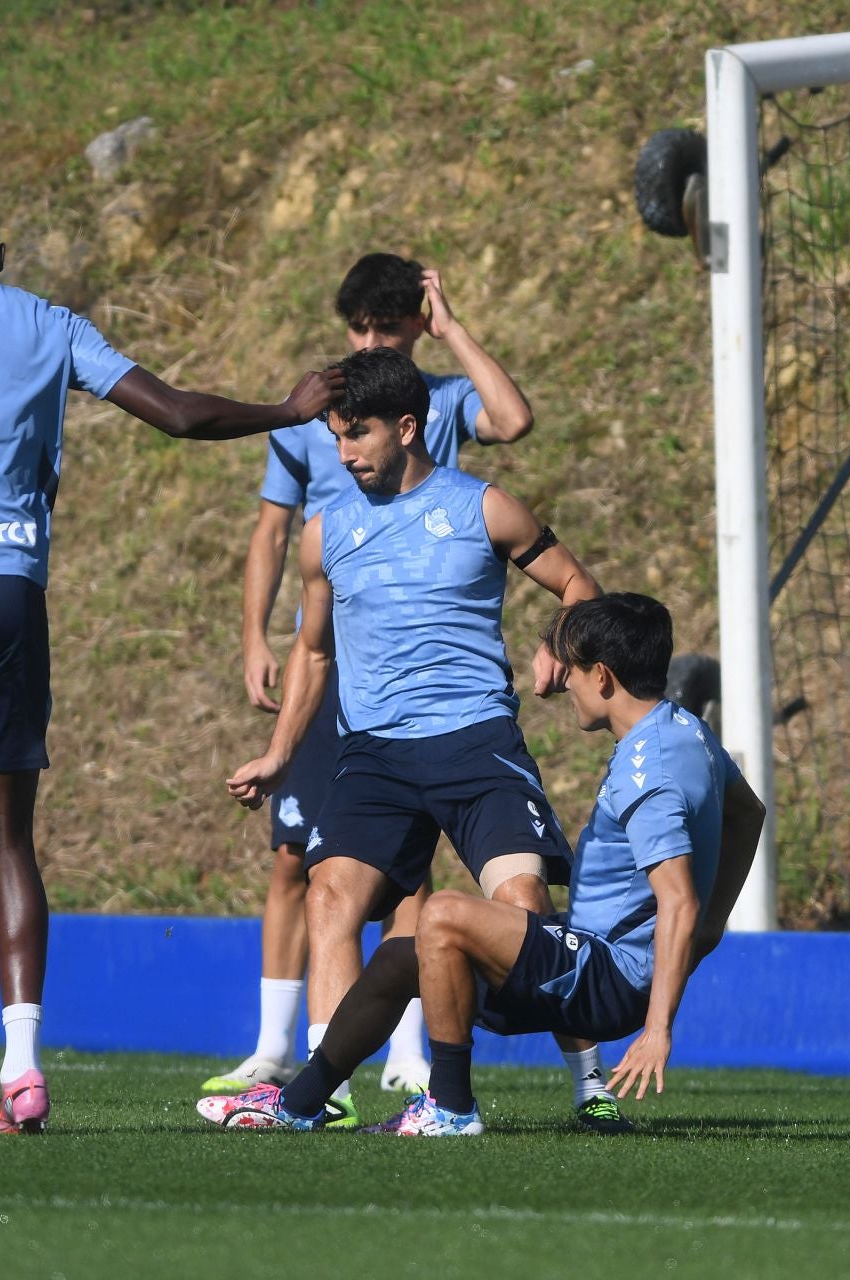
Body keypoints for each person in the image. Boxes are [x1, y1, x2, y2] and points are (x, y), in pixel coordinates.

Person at [0, 181, 341, 1134]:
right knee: (9, 844)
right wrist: (282, 410)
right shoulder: (51, 321)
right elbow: (176, 414)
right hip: (8, 599)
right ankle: (25, 1068)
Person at [208, 345, 630, 1132]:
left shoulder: (484, 507)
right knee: (329, 894)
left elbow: (577, 584)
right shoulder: (324, 532)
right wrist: (281, 753)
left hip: (474, 744)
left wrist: (556, 642)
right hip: (374, 755)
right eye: (336, 436)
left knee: (524, 904)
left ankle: (589, 1080)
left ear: (408, 427)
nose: (343, 453)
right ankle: (324, 1092)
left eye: (358, 434)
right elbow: (313, 649)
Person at [199, 593, 765, 1134]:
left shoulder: (651, 774)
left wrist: (659, 1027)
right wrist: (710, 930)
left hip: (604, 980)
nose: (564, 681)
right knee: (404, 957)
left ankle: (450, 1108)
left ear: (602, 676)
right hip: (591, 965)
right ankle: (299, 1104)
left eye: (571, 669)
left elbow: (679, 899)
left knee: (442, 913)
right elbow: (749, 814)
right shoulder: (687, 732)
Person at [205, 253, 537, 1105]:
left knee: (419, 881)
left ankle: (415, 1057)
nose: (364, 342)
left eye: (384, 330)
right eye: (356, 327)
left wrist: (450, 328)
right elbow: (272, 534)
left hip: (431, 686)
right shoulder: (312, 415)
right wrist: (255, 635)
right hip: (341, 658)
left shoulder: (433, 401)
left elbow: (512, 417)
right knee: (301, 861)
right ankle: (287, 1058)